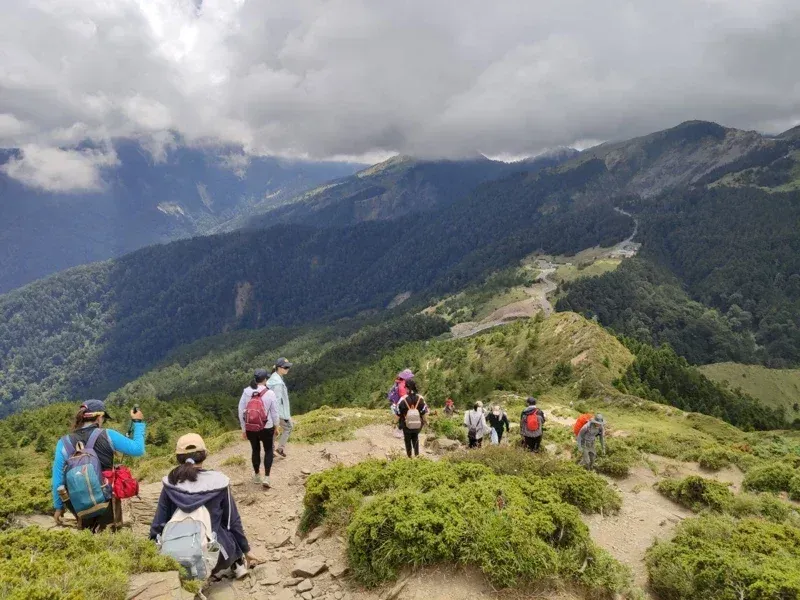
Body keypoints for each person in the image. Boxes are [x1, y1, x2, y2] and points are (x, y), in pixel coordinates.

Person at [150, 434, 260, 580]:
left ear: (178, 458)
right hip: (213, 555)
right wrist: (245, 549)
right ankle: (237, 562)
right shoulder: (218, 482)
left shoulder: (171, 482)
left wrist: (153, 554)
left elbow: (158, 523)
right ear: (204, 455)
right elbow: (232, 523)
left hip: (174, 555)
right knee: (223, 527)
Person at [52, 399, 146, 531]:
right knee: (110, 536)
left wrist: (58, 507)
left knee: (86, 538)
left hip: (78, 501)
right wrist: (138, 422)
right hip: (106, 498)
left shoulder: (63, 442)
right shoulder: (108, 435)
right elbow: (138, 449)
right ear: (99, 417)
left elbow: (58, 480)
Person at [239, 369, 280, 487]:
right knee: (268, 450)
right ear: (265, 380)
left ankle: (257, 476)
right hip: (267, 427)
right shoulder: (270, 393)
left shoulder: (246, 392)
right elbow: (275, 413)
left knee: (255, 450)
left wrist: (243, 429)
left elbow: (240, 411)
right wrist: (276, 427)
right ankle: (267, 477)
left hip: (251, 428)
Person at [268, 357, 293, 457]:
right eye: (285, 367)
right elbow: (277, 401)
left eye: (288, 367)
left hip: (271, 411)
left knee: (274, 430)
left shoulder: (274, 377)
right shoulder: (277, 383)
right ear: (279, 368)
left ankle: (270, 450)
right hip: (279, 412)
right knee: (289, 428)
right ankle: (280, 449)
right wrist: (276, 417)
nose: (287, 369)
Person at [396, 380, 428, 457]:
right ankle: (417, 455)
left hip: (406, 425)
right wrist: (426, 421)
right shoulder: (420, 398)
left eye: (405, 388)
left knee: (407, 441)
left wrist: (394, 422)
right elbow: (424, 412)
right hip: (417, 425)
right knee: (415, 438)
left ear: (408, 388)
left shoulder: (403, 399)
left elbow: (398, 412)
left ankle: (409, 457)